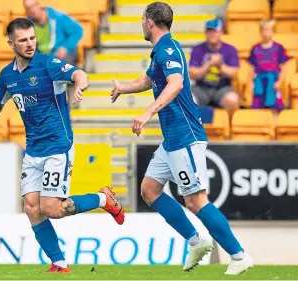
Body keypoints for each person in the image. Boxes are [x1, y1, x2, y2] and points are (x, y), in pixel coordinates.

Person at [0, 18, 124, 273]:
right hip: (33, 149)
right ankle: (59, 262)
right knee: (31, 206)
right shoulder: (7, 76)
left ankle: (103, 199)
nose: (29, 44)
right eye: (23, 40)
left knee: (52, 209)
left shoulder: (48, 64)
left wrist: (80, 84)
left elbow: (79, 73)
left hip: (58, 146)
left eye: (32, 38)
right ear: (11, 43)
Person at [110, 2, 253, 275]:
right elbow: (148, 81)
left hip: (185, 136)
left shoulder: (167, 49)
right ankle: (196, 241)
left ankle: (239, 255)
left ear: (149, 22)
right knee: (149, 190)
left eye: (142, 20)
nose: (141, 24)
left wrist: (148, 112)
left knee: (196, 201)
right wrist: (122, 87)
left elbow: (175, 84)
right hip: (172, 139)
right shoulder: (160, 52)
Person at [189, 18, 240, 116]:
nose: (212, 34)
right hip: (201, 88)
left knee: (233, 100)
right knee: (184, 98)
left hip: (222, 88)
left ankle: (228, 127)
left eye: (215, 31)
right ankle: (193, 129)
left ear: (221, 32)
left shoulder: (230, 49)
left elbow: (233, 74)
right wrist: (207, 65)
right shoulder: (197, 49)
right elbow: (192, 74)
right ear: (205, 33)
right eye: (209, 31)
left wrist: (220, 65)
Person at [23, 0, 83, 65]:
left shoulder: (57, 17)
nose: (32, 10)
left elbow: (78, 31)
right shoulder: (27, 25)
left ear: (39, 4)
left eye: (33, 6)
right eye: (28, 8)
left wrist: (65, 48)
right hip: (44, 58)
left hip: (61, 55)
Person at [248, 20, 289, 110]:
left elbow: (283, 67)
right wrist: (251, 83)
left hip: (273, 81)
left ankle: (274, 121)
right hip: (259, 80)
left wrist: (280, 81)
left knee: (275, 106)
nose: (266, 33)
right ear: (260, 31)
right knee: (258, 105)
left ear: (273, 31)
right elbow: (252, 67)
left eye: (269, 30)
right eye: (264, 30)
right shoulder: (255, 48)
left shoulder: (279, 48)